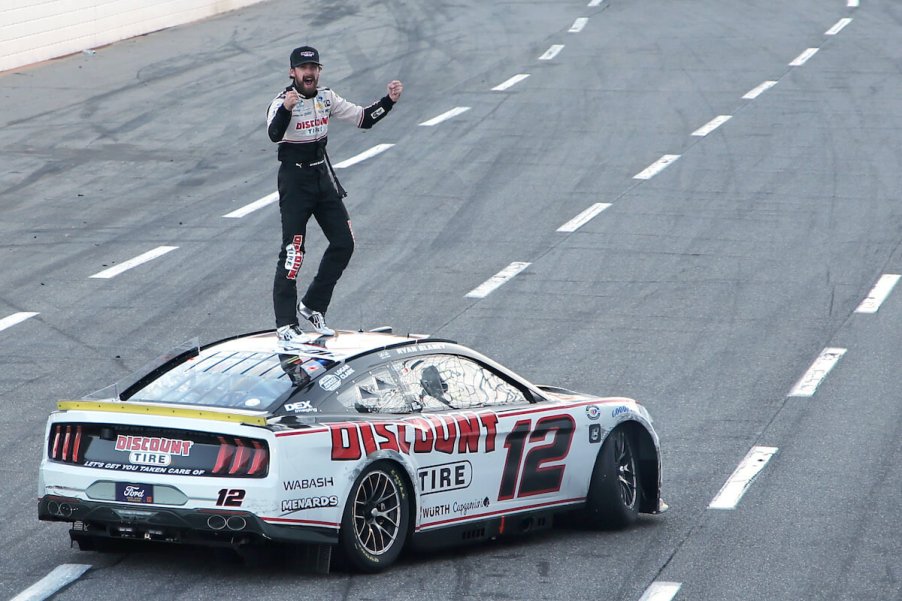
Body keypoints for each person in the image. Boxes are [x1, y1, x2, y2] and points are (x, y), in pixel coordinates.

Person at [266, 46, 403, 345]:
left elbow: (363, 118)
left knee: (345, 242)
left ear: (319, 71)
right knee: (293, 253)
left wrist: (388, 102)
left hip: (321, 176)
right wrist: (287, 109)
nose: (309, 73)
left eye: (314, 67)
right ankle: (285, 324)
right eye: (303, 68)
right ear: (292, 72)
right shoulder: (281, 101)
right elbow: (274, 135)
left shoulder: (327, 97)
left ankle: (313, 304)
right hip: (294, 179)